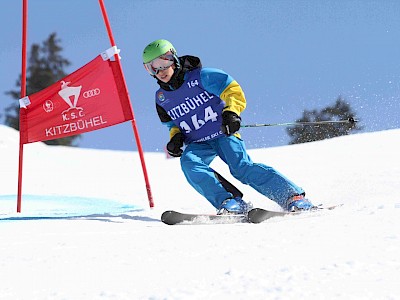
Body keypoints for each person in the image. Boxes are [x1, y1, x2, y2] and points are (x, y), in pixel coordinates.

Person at [142, 39, 314, 214]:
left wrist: (231, 113)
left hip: (223, 133)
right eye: (151, 67)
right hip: (198, 142)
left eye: (161, 62)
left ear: (173, 58)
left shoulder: (201, 77)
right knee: (189, 163)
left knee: (241, 168)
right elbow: (172, 123)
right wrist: (176, 137)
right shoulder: (162, 98)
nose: (159, 71)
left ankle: (293, 197)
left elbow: (232, 89)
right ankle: (230, 202)